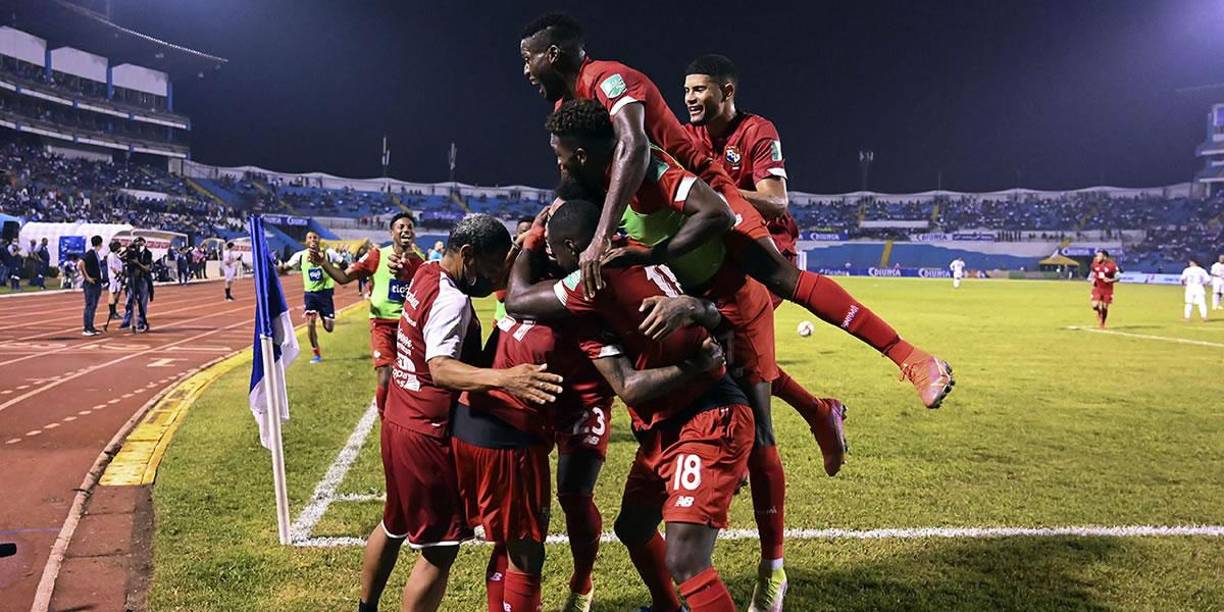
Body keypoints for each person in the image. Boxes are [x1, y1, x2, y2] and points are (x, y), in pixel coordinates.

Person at [519, 14, 953, 410]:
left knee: (778, 276)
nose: (525, 70)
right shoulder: (567, 108)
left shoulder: (607, 78)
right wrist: (545, 226)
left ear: (552, 54)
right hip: (656, 216)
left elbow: (634, 148)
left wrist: (598, 241)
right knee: (726, 341)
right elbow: (584, 176)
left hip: (703, 190)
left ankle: (911, 358)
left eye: (528, 58)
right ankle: (805, 417)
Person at [505, 198, 753, 612]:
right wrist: (698, 309)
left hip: (707, 414)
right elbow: (712, 317)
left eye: (555, 250)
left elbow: (517, 300)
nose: (554, 259)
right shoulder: (634, 253)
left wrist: (531, 242)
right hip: (666, 424)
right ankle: (666, 607)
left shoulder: (592, 278)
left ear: (571, 247)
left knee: (686, 559)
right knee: (635, 527)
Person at [358, 214, 563, 612]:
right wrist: (506, 380)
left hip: (399, 417)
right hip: (425, 432)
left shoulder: (429, 271)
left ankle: (366, 608)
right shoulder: (450, 299)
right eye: (490, 267)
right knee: (439, 548)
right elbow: (441, 367)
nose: (494, 278)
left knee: (393, 524)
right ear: (467, 256)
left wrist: (530, 237)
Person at [314, 213, 424, 415]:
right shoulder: (377, 255)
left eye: (410, 226)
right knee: (385, 374)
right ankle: (385, 420)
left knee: (412, 378)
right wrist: (323, 263)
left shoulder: (422, 263)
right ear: (392, 232)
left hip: (409, 327)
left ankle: (405, 416)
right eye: (401, 227)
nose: (406, 230)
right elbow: (343, 278)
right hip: (381, 324)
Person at [279, 231, 344, 363]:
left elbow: (344, 264)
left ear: (319, 239)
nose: (313, 240)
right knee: (310, 324)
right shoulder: (300, 256)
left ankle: (323, 316)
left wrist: (338, 268)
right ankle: (316, 354)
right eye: (310, 237)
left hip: (325, 294)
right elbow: (284, 268)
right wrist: (272, 269)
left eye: (315, 237)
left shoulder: (329, 253)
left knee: (329, 328)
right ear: (306, 241)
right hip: (310, 295)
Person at [120, 237, 152, 333]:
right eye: (137, 242)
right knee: (129, 301)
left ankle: (141, 323)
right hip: (132, 279)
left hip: (143, 279)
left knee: (142, 302)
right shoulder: (131, 252)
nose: (138, 244)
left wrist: (137, 263)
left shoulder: (147, 253)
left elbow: (147, 268)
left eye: (140, 242)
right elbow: (120, 257)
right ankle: (126, 322)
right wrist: (127, 249)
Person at [1089, 249, 1119, 329]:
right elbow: (1093, 272)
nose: (1097, 257)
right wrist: (1092, 279)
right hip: (1097, 288)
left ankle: (1102, 323)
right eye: (1097, 256)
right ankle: (1099, 312)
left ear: (1105, 257)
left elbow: (1118, 278)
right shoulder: (1095, 263)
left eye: (1099, 256)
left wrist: (1110, 280)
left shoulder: (1112, 265)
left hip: (1107, 289)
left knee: (1105, 307)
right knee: (1094, 306)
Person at [81, 235, 103, 336]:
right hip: (91, 284)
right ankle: (87, 328)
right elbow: (81, 264)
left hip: (97, 283)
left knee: (94, 306)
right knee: (90, 305)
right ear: (100, 243)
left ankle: (91, 326)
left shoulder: (96, 254)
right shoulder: (90, 254)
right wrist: (87, 277)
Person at [105, 240, 126, 323]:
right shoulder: (111, 256)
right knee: (113, 293)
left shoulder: (115, 255)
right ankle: (112, 312)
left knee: (117, 293)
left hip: (117, 276)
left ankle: (114, 311)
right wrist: (118, 274)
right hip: (114, 277)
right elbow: (112, 267)